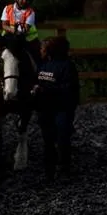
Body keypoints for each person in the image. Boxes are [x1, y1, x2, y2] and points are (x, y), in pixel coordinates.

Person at [31, 36, 80, 182]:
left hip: (61, 107)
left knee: (62, 137)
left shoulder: (67, 66)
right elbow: (37, 80)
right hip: (45, 108)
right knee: (48, 139)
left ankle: (64, 168)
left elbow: (68, 88)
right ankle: (49, 169)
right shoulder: (43, 65)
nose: (40, 50)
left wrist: (45, 90)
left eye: (43, 48)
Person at [0, 0, 42, 75]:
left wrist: (17, 32)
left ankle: (39, 77)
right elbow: (4, 25)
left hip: (28, 40)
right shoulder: (7, 9)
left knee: (38, 57)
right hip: (8, 38)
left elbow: (25, 29)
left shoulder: (31, 12)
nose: (26, 1)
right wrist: (13, 30)